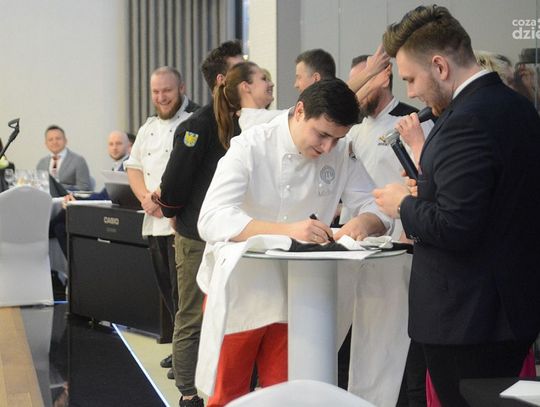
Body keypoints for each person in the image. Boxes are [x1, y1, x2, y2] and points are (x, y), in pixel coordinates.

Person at [373, 5, 540, 406]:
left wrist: (403, 205)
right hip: (505, 310)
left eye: (411, 79)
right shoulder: (516, 106)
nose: (411, 93)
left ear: (440, 66)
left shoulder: (467, 120)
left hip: (469, 318)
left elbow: (456, 226)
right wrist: (428, 192)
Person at [196, 78, 392, 407]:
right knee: (227, 396)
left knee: (290, 395)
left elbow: (377, 206)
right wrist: (287, 231)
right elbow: (212, 218)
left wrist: (363, 222)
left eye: (337, 138)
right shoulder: (251, 146)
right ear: (300, 111)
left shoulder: (341, 151)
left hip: (300, 294)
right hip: (241, 288)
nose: (328, 147)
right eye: (322, 135)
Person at [158, 40, 244, 407]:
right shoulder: (197, 126)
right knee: (193, 315)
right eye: (241, 71)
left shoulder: (247, 123)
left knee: (235, 315)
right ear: (223, 80)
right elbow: (174, 186)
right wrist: (174, 212)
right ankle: (189, 393)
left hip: (236, 237)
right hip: (197, 236)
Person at [125, 66, 199, 372]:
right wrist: (145, 197)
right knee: (168, 292)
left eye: (166, 90)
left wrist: (160, 199)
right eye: (156, 92)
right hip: (152, 221)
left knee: (186, 297)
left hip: (179, 223)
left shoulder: (195, 121)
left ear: (181, 88)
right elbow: (133, 166)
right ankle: (181, 349)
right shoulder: (147, 126)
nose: (161, 97)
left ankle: (190, 357)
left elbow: (188, 170)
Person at [36, 125, 92, 191]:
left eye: (58, 138)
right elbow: (38, 186)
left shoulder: (78, 161)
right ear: (46, 143)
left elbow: (85, 187)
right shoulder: (42, 163)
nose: (54, 142)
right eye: (50, 140)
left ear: (65, 141)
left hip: (69, 197)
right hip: (45, 197)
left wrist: (59, 188)